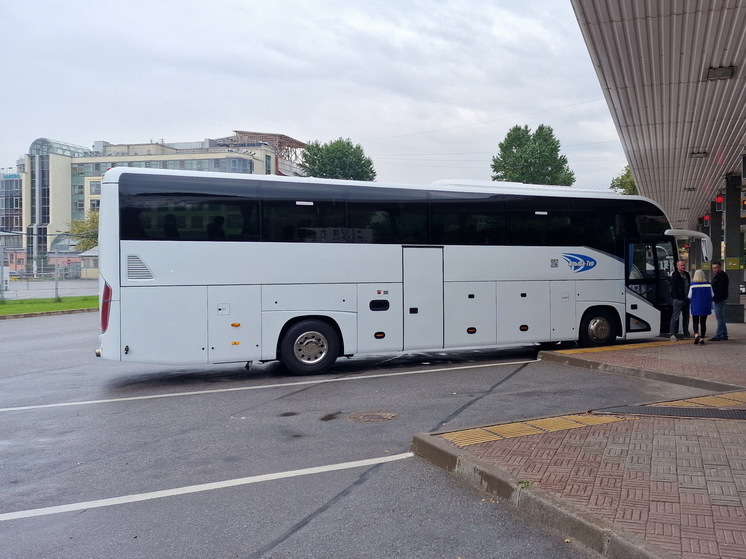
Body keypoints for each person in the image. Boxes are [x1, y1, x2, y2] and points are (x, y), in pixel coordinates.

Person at [688, 269, 713, 345]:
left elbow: (689, 296)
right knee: (703, 322)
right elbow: (712, 295)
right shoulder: (709, 285)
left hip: (696, 305)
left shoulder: (693, 285)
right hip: (705, 306)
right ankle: (702, 338)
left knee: (695, 321)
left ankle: (696, 335)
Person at [669, 260, 691, 341]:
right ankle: (672, 334)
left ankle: (686, 332)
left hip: (686, 299)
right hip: (678, 299)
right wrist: (677, 296)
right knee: (675, 317)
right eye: (681, 265)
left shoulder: (687, 274)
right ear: (677, 266)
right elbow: (673, 288)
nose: (683, 267)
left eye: (684, 265)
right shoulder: (675, 275)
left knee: (686, 317)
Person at [709, 261, 729, 341]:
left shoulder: (722, 276)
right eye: (713, 268)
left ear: (720, 267)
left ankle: (718, 334)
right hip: (720, 298)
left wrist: (715, 298)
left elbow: (720, 289)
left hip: (719, 299)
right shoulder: (719, 276)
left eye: (716, 268)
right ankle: (724, 334)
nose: (714, 269)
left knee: (719, 317)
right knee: (721, 317)